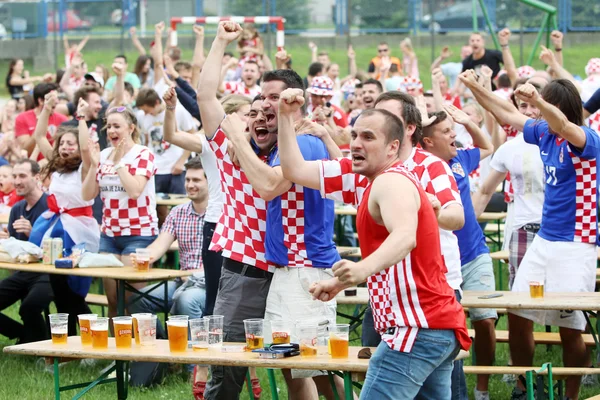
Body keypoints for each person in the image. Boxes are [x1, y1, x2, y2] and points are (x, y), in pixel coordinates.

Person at [277, 96, 471, 399]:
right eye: (354, 135)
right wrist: (285, 117)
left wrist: (358, 269)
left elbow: (406, 237)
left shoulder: (390, 181)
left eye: (368, 136)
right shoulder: (370, 177)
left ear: (395, 144)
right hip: (432, 323)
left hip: (415, 325)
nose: (356, 143)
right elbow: (293, 169)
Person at [461, 70, 600, 400]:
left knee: (570, 329)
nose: (535, 113)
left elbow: (566, 126)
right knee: (518, 312)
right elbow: (506, 113)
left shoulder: (585, 138)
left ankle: (570, 393)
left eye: (544, 106)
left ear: (559, 107)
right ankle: (526, 386)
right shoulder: (543, 134)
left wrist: (536, 98)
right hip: (546, 240)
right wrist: (476, 87)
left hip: (576, 243)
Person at [219, 67, 346, 397]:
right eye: (262, 97)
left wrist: (236, 136)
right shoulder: (290, 141)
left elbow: (269, 186)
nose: (265, 104)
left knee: (314, 366)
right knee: (299, 367)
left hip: (305, 269)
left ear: (295, 100)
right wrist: (245, 139)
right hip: (291, 269)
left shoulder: (304, 140)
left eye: (274, 97)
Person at [197, 21, 276, 400]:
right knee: (227, 369)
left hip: (290, 275)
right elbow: (205, 96)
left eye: (267, 114)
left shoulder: (291, 157)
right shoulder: (229, 158)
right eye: (251, 113)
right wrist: (220, 41)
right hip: (243, 273)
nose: (259, 118)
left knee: (302, 368)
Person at [418, 106, 495, 400]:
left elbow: (487, 146)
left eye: (454, 129)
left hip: (474, 255)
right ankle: (454, 388)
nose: (454, 135)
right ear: (427, 141)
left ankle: (482, 388)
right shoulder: (419, 168)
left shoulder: (460, 158)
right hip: (440, 265)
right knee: (451, 331)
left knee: (485, 320)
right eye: (447, 131)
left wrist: (467, 122)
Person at [127, 156, 208, 396]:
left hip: (209, 285)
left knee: (186, 301)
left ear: (210, 182)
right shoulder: (177, 213)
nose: (190, 185)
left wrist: (193, 275)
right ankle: (164, 352)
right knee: (139, 299)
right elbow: (159, 247)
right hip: (180, 280)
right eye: (188, 180)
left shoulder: (221, 214)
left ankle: (193, 367)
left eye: (197, 180)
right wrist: (143, 256)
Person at [28, 91, 100, 338]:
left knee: (73, 290)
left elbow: (85, 147)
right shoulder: (56, 166)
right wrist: (47, 109)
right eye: (62, 143)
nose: (66, 147)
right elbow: (38, 135)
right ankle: (65, 343)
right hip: (56, 229)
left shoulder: (83, 166)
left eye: (71, 144)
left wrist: (81, 118)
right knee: (57, 286)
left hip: (79, 230)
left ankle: (92, 336)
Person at [81, 106, 158, 320]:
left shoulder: (143, 154)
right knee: (113, 300)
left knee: (133, 302)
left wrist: (119, 164)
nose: (112, 131)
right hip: (110, 235)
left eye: (117, 126)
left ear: (131, 128)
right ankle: (115, 353)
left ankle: (141, 351)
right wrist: (94, 166)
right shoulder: (104, 155)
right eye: (109, 127)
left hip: (139, 233)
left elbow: (134, 191)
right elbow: (88, 195)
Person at [0, 159, 51, 344]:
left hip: (49, 272)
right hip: (24, 272)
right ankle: (22, 334)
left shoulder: (49, 205)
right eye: (14, 176)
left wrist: (33, 233)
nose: (16, 181)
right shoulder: (17, 208)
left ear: (37, 177)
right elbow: (16, 248)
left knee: (29, 306)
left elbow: (58, 247)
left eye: (22, 176)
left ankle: (40, 345)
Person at [14, 83, 68, 158]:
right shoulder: (22, 118)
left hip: (53, 162)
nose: (57, 101)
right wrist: (40, 125)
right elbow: (26, 149)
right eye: (54, 98)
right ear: (41, 101)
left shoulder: (63, 119)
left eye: (57, 98)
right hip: (32, 164)